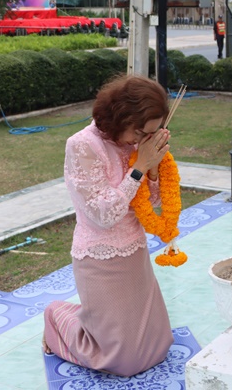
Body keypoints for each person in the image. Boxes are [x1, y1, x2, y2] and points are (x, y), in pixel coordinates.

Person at [43, 74, 174, 376]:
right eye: (142, 132)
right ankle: (56, 316)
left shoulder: (133, 143)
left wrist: (154, 166)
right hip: (99, 256)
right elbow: (103, 215)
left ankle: (93, 318)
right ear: (123, 117)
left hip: (135, 249)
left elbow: (152, 201)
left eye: (151, 133)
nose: (142, 140)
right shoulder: (82, 145)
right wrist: (140, 166)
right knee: (122, 362)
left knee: (158, 346)